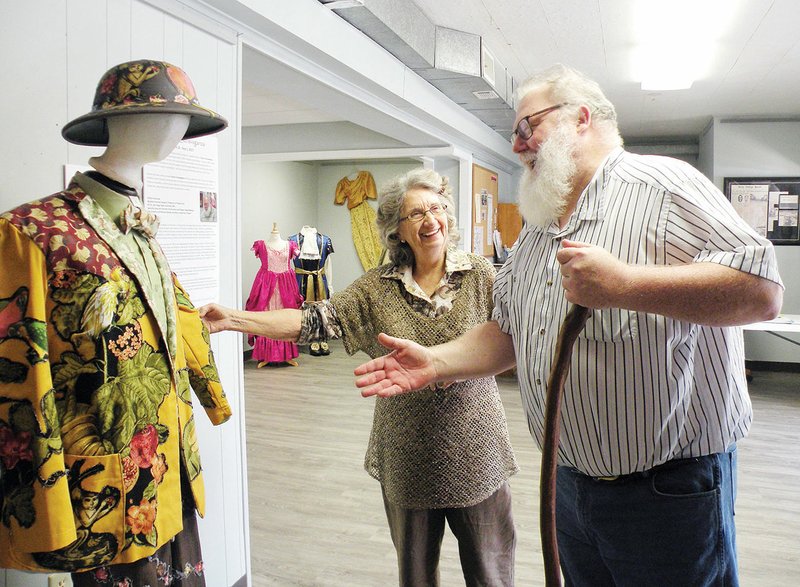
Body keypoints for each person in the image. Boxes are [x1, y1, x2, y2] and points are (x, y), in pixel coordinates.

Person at [354, 64, 784, 586]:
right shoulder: (539, 227)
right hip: (569, 486)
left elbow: (762, 292)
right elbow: (509, 331)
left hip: (668, 493)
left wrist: (623, 285)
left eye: (525, 127)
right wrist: (437, 362)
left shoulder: (662, 185)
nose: (517, 146)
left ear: (581, 118)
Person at [200, 168, 519, 586]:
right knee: (416, 576)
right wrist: (236, 319)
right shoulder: (375, 289)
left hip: (478, 451)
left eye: (437, 208)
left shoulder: (484, 276)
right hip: (408, 456)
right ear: (397, 230)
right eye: (416, 213)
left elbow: (515, 341)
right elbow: (314, 320)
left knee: (491, 573)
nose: (431, 220)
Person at [0, 60, 231, 586]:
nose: (177, 131)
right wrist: (40, 507)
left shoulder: (139, 229)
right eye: (169, 116)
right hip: (102, 489)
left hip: (168, 469)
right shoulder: (32, 232)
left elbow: (181, 321)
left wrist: (213, 398)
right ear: (119, 121)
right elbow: (18, 379)